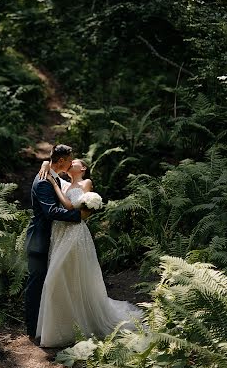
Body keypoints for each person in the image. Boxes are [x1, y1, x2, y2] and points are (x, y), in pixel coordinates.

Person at [36, 157, 143, 348]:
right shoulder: (64, 183)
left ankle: (83, 324)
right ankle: (63, 327)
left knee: (72, 276)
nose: (70, 163)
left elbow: (70, 206)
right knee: (62, 278)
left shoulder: (86, 183)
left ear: (83, 167)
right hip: (60, 233)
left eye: (74, 161)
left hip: (75, 234)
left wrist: (54, 186)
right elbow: (50, 168)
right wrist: (45, 164)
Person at [24, 144, 90, 341]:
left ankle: (46, 326)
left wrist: (45, 162)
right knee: (36, 284)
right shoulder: (44, 181)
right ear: (61, 161)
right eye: (70, 160)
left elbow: (64, 188)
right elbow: (51, 211)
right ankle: (33, 328)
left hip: (52, 238)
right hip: (39, 239)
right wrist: (79, 215)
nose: (71, 163)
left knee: (49, 282)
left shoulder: (53, 176)